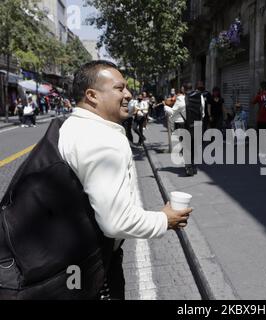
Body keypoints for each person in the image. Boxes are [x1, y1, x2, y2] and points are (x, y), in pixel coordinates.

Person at [58, 60, 192, 299]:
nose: (128, 94)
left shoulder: (71, 125)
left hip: (70, 260)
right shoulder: (102, 139)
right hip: (94, 265)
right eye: (120, 89)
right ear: (92, 96)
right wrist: (165, 219)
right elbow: (115, 221)